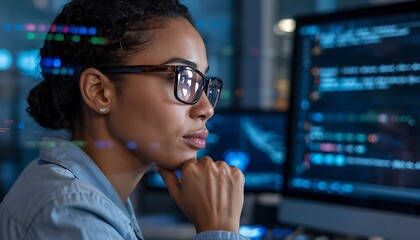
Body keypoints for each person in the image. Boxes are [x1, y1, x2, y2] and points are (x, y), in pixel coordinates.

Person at [0, 0, 248, 239]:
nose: (206, 108)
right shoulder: (68, 215)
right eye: (182, 78)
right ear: (98, 92)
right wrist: (218, 228)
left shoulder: (91, 198)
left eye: (202, 83)